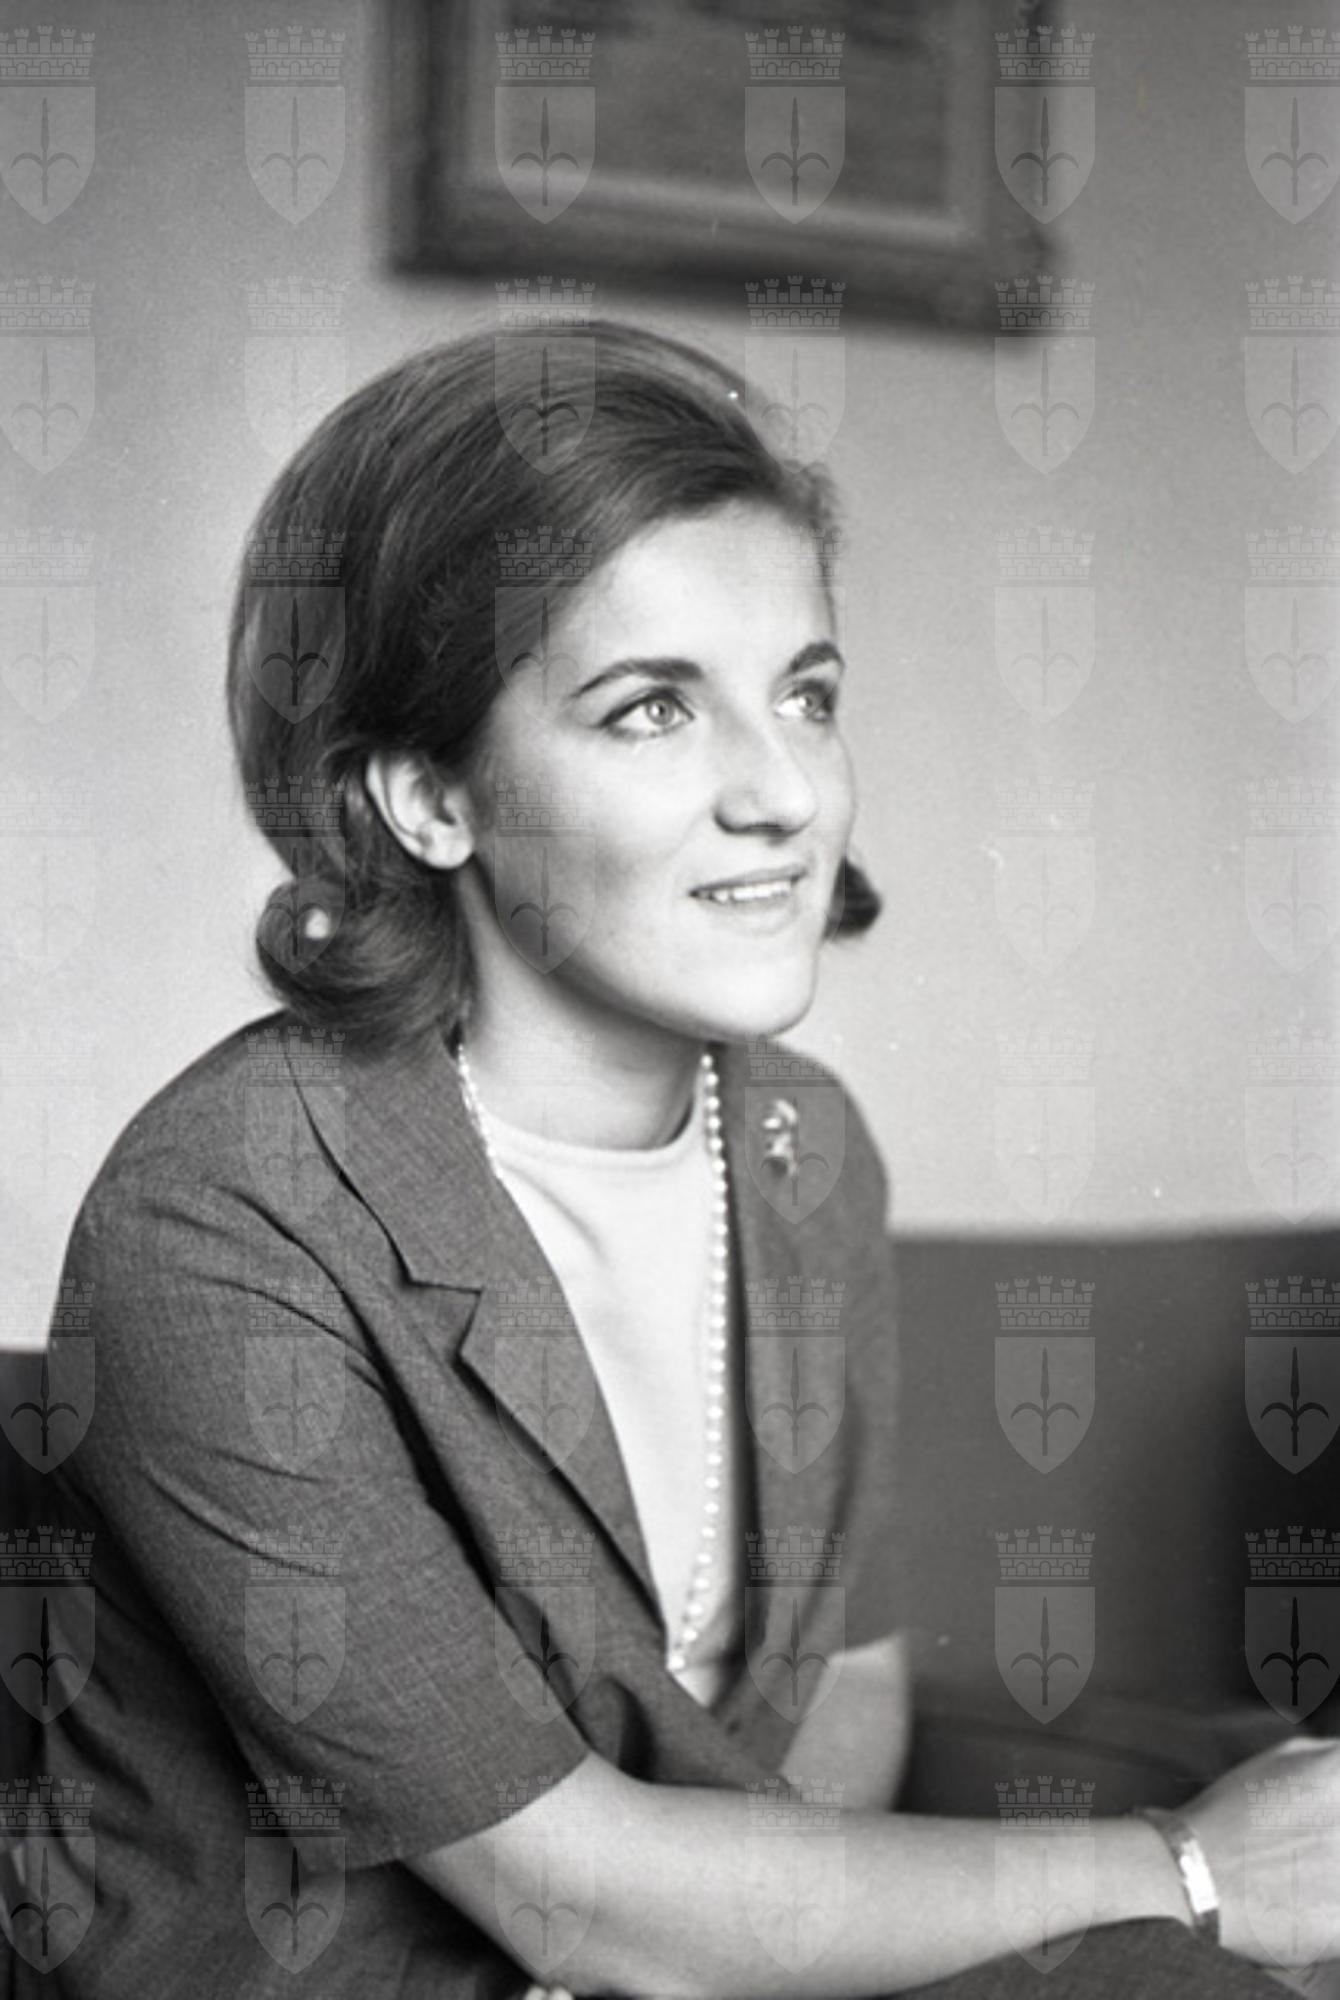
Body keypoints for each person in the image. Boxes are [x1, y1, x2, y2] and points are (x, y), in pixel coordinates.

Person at [21, 322, 1339, 1998]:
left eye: (808, 695)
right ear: (427, 794)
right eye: (652, 708)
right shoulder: (221, 1214)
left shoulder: (806, 1147)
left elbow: (844, 1682)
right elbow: (565, 1900)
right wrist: (1193, 1864)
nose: (786, 791)